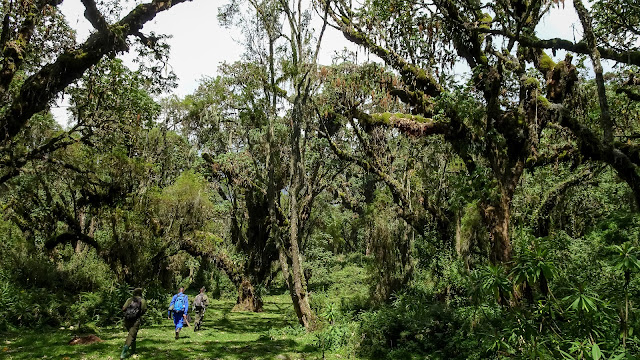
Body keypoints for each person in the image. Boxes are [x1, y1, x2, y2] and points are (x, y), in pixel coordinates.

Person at [120, 287, 146, 359]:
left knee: (133, 335)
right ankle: (123, 353)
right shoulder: (142, 300)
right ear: (141, 293)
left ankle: (133, 351)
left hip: (127, 319)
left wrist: (129, 313)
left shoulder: (129, 299)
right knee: (131, 336)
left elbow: (123, 309)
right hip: (135, 320)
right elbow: (144, 310)